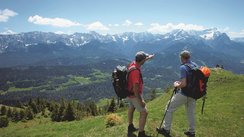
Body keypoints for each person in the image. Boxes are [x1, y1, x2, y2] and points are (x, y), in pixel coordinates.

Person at [156, 50, 197, 137]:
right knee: (191, 113)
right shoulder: (194, 65)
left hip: (185, 93)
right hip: (194, 94)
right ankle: (192, 132)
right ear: (189, 57)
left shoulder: (183, 67)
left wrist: (176, 84)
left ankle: (166, 129)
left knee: (169, 108)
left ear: (181, 58)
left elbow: (184, 84)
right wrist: (181, 82)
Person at [127, 51, 154, 137]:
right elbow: (136, 89)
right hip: (135, 95)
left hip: (129, 93)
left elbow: (142, 59)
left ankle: (130, 126)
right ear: (141, 60)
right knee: (144, 112)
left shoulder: (133, 63)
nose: (145, 61)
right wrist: (141, 100)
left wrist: (149, 57)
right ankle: (141, 133)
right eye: (144, 59)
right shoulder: (135, 72)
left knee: (132, 108)